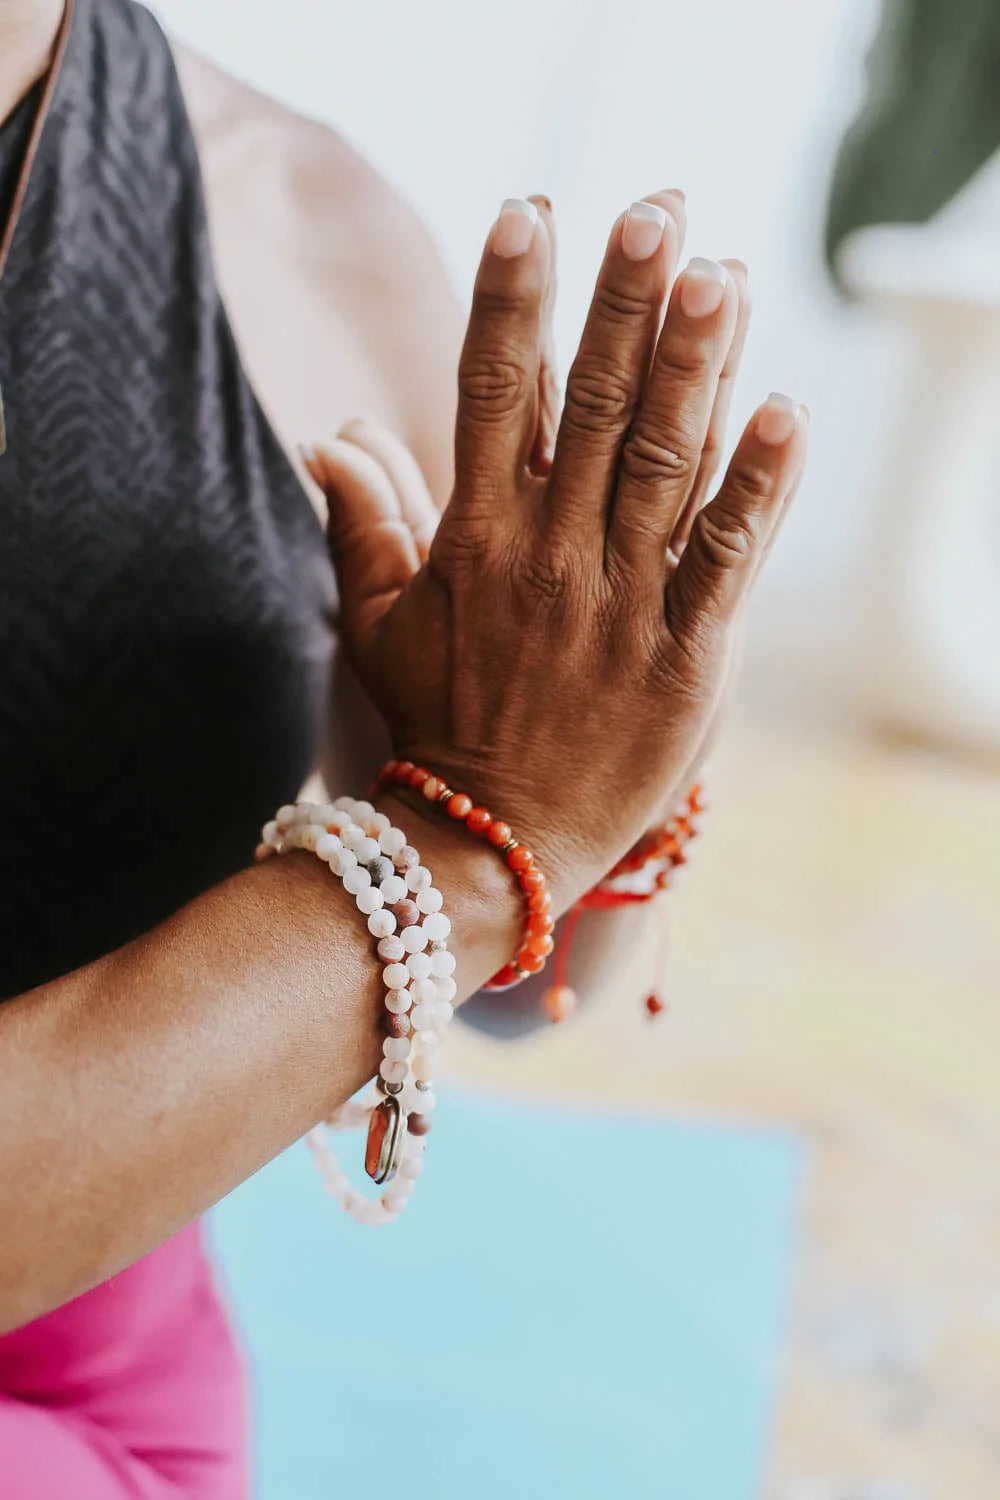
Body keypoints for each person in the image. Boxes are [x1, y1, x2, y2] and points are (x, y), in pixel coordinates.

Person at [0, 0, 808, 1494]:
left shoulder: (301, 224)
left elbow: (542, 986)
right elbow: (480, 865)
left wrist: (589, 777)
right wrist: (463, 845)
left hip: (105, 1400)